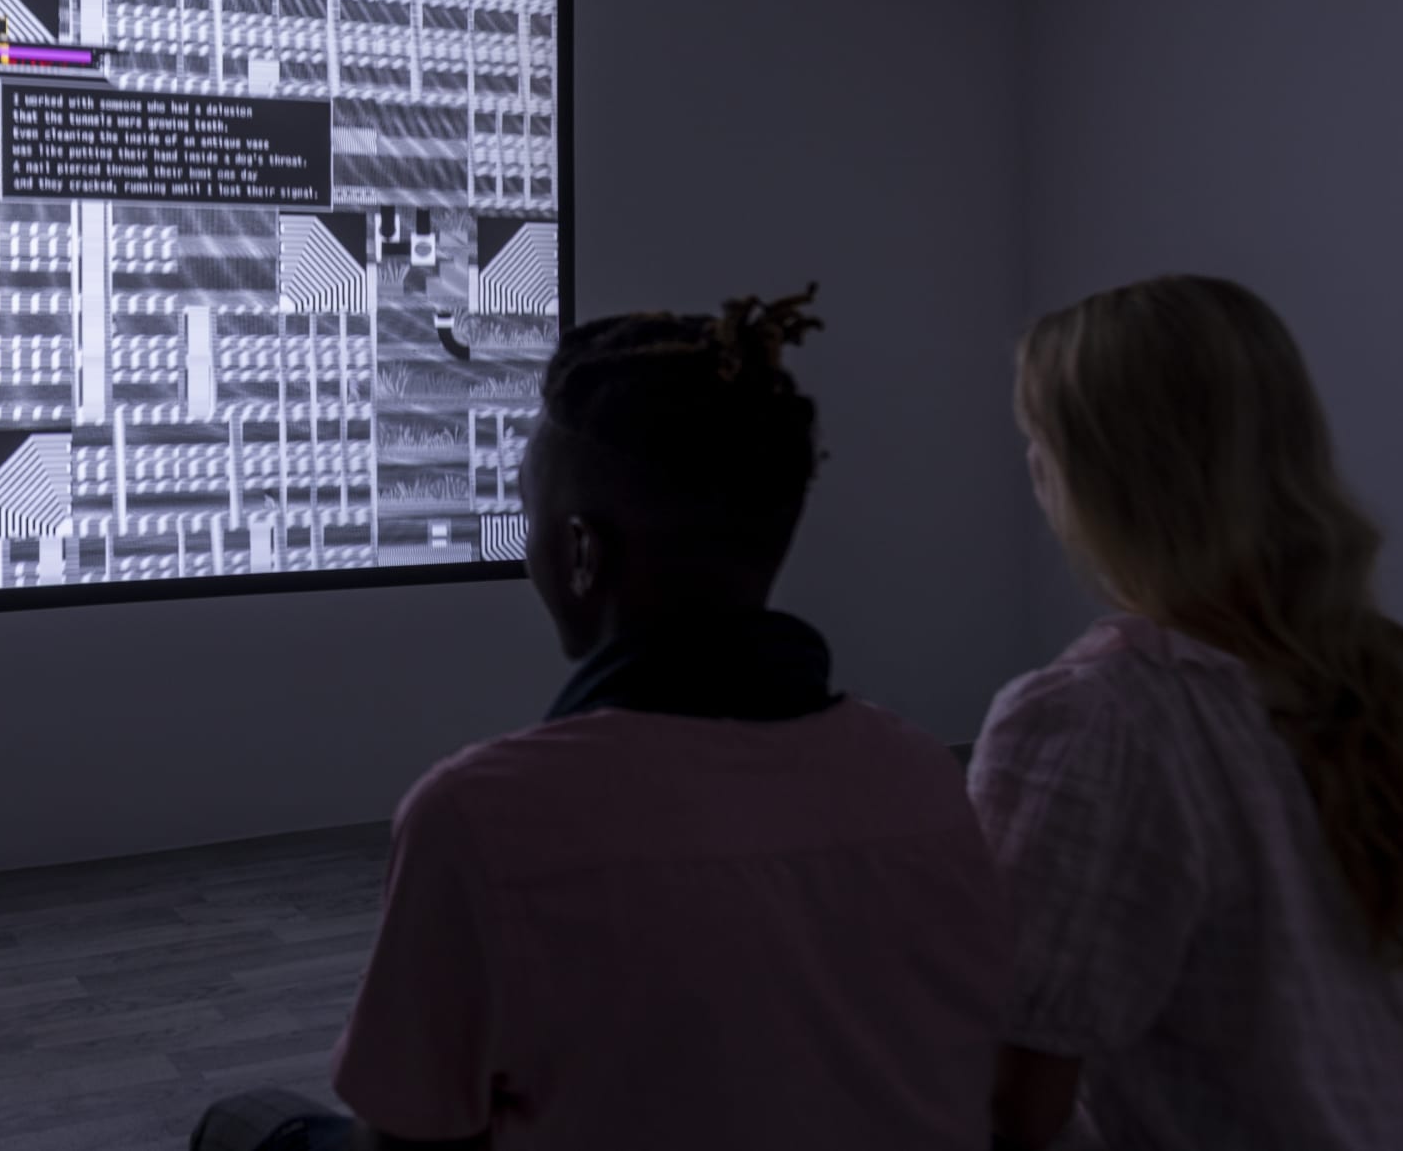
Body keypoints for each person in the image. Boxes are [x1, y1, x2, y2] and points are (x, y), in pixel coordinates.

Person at [194, 288, 1011, 1151]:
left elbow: (411, 1138)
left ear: (582, 552)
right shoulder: (920, 773)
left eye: (530, 519)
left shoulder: (481, 817)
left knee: (243, 1125)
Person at [973, 275, 1403, 1151]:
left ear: (1100, 475)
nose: (1031, 468)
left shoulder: (1092, 721)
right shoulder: (1393, 674)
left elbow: (1012, 1105)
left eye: (1038, 440)